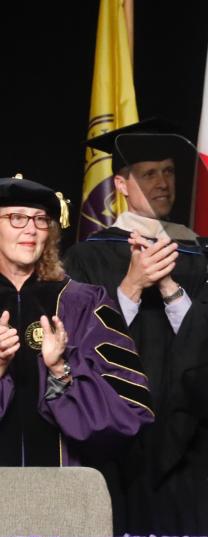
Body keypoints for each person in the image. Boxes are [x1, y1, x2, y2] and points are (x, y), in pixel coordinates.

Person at [65, 119, 208, 535]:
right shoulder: (87, 258)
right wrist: (131, 285)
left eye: (169, 171)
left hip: (189, 436)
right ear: (122, 184)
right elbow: (78, 344)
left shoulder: (201, 254)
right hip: (116, 434)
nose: (162, 182)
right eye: (149, 174)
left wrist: (168, 288)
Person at [0, 175, 151, 467]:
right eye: (17, 217)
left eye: (41, 219)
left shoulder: (84, 303)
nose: (31, 229)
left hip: (66, 492)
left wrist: (60, 371)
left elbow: (130, 414)